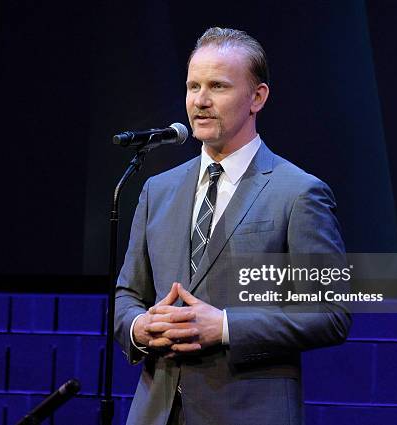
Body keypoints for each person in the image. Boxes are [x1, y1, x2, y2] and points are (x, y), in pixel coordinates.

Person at [114, 27, 351, 425]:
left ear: (257, 97)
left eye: (218, 86)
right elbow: (127, 294)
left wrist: (224, 326)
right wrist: (140, 327)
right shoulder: (158, 189)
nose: (200, 102)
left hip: (249, 412)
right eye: (193, 86)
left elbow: (332, 313)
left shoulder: (299, 193)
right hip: (156, 413)